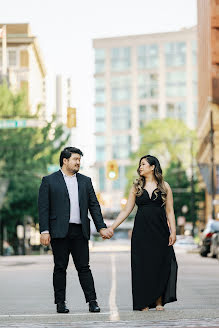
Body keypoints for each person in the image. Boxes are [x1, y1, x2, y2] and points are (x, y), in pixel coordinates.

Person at [38, 147, 113, 313]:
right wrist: (44, 230)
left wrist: (101, 226)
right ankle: (60, 303)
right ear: (65, 161)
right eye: (75, 159)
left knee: (84, 267)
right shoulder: (49, 181)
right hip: (58, 231)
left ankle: (92, 302)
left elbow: (94, 205)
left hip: (80, 231)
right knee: (60, 268)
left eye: (79, 160)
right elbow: (43, 208)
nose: (78, 162)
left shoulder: (85, 181)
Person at [107, 155, 178, 311]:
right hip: (141, 232)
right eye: (140, 165)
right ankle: (144, 302)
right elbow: (127, 210)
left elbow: (170, 211)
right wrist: (112, 227)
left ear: (152, 167)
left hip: (160, 231)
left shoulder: (165, 186)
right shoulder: (136, 187)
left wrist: (173, 231)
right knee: (142, 266)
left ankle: (159, 301)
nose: (140, 167)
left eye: (143, 164)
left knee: (160, 264)